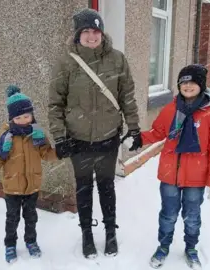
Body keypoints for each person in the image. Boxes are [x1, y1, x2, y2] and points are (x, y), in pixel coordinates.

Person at [47, 8, 141, 258]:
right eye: (86, 31)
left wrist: (134, 127)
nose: (91, 36)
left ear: (102, 33)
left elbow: (127, 97)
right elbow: (55, 103)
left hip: (108, 138)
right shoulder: (66, 62)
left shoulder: (117, 59)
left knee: (107, 186)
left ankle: (111, 233)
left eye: (96, 31)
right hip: (78, 141)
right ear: (78, 34)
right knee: (84, 188)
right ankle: (87, 234)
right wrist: (59, 137)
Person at [127, 64, 210, 269]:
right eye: (184, 82)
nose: (188, 86)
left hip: (196, 177)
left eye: (192, 82)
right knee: (168, 214)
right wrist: (137, 140)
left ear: (200, 85)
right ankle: (163, 246)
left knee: (192, 216)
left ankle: (191, 248)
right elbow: (157, 132)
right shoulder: (171, 109)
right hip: (170, 174)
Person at [0, 85, 58, 264]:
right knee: (12, 218)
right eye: (18, 117)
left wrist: (61, 151)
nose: (23, 120)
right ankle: (10, 244)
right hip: (12, 187)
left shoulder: (37, 135)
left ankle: (31, 241)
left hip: (32, 185)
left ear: (32, 115)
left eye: (26, 116)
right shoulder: (7, 137)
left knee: (31, 217)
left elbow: (46, 153)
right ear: (12, 118)